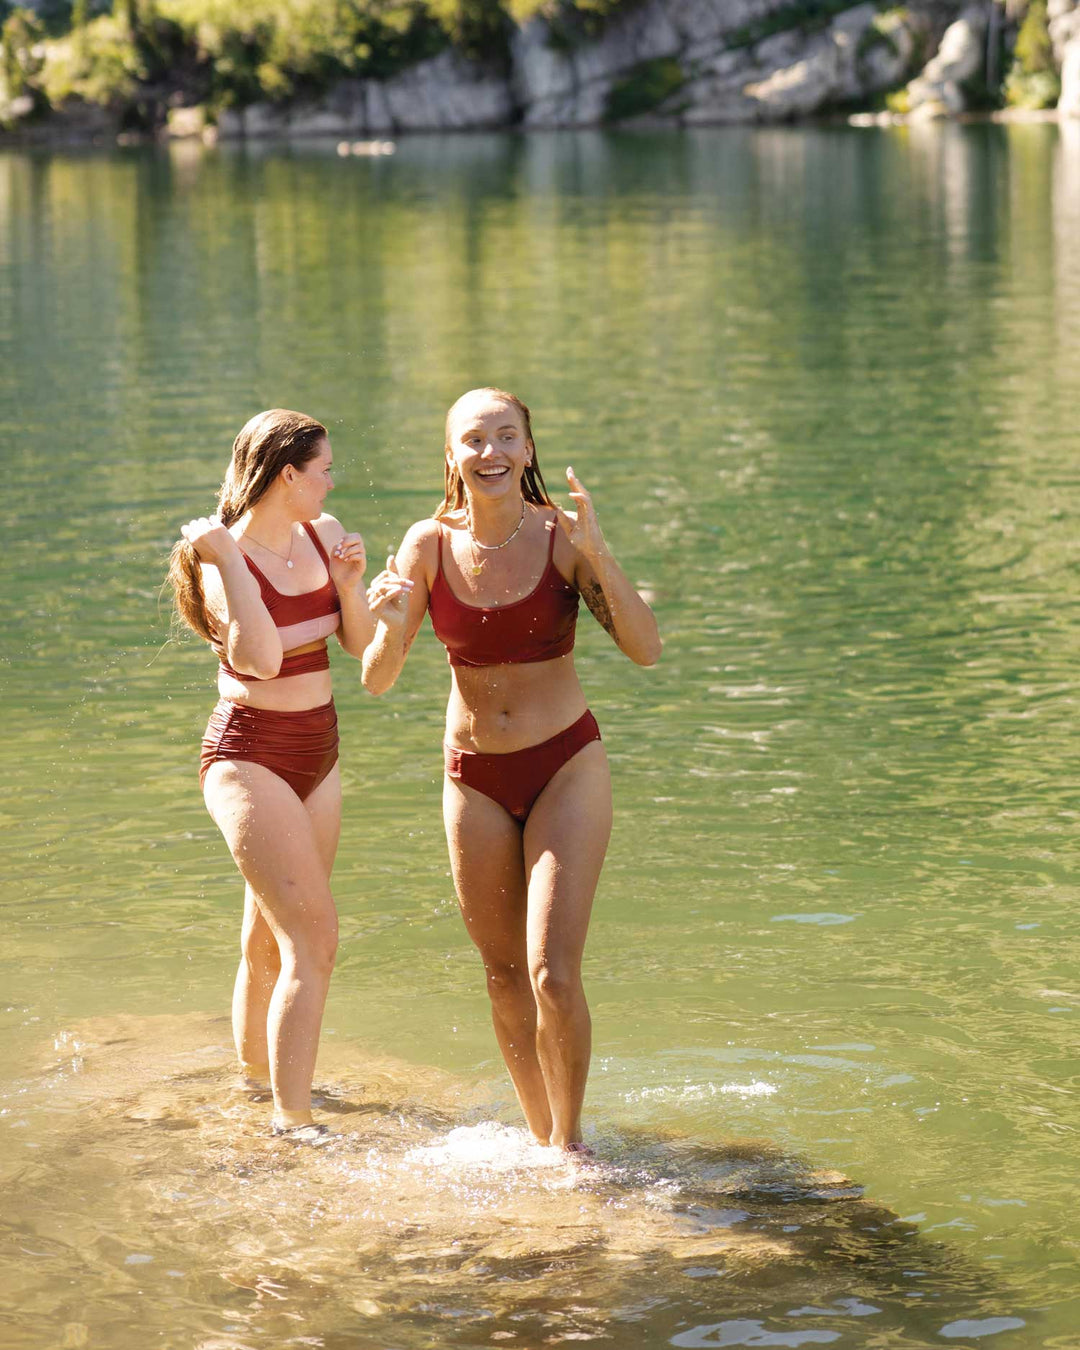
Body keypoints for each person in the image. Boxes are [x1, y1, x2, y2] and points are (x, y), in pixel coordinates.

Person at [362, 388, 661, 1152]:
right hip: (472, 778)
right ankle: (539, 1140)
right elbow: (376, 678)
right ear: (452, 454)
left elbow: (644, 647)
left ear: (527, 449)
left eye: (505, 437)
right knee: (502, 978)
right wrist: (392, 624)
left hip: (565, 766)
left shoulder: (561, 537)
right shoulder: (426, 544)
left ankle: (571, 1146)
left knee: (552, 974)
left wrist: (598, 548)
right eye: (474, 440)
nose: (490, 452)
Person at [167, 409, 374, 1141]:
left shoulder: (324, 532)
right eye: (321, 470)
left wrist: (349, 584)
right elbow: (255, 659)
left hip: (319, 747)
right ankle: (294, 1120)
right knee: (314, 938)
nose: (328, 482)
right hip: (248, 752)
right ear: (288, 475)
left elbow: (357, 643)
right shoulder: (220, 558)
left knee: (267, 936)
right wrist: (225, 559)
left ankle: (258, 1083)